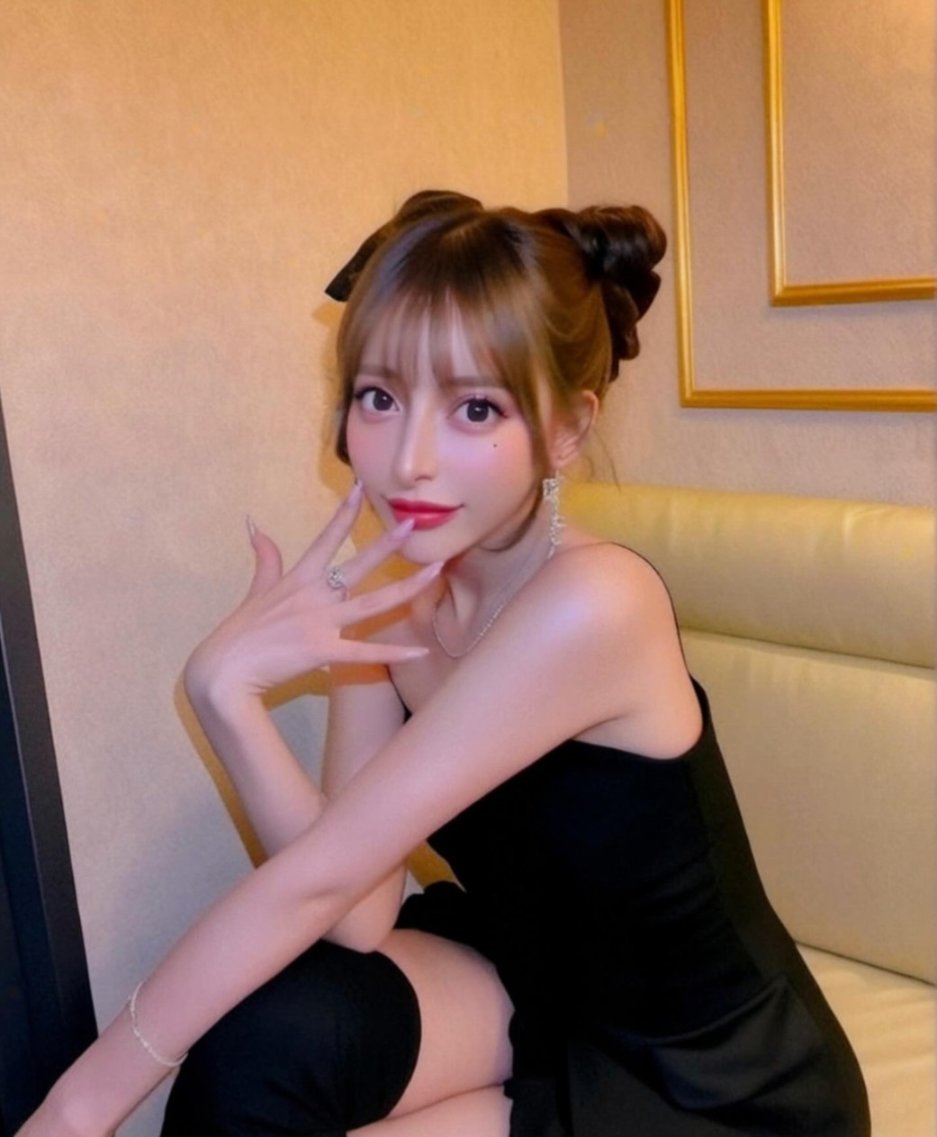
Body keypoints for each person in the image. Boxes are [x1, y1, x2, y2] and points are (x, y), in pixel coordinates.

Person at [17, 191, 870, 1137]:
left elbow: (321, 879)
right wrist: (223, 697)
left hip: (713, 1071)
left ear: (566, 429)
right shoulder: (394, 596)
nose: (409, 461)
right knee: (260, 1050)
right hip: (527, 983)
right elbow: (357, 909)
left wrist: (75, 1107)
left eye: (474, 407)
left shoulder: (596, 602)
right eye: (380, 398)